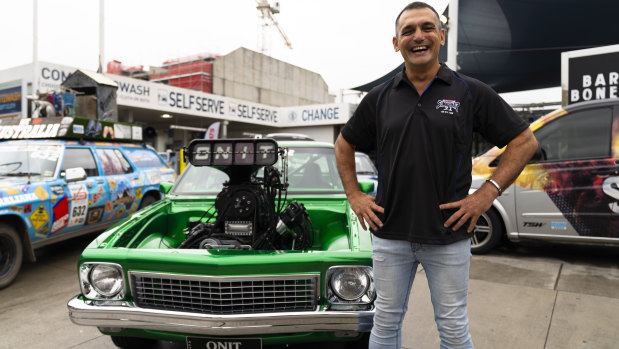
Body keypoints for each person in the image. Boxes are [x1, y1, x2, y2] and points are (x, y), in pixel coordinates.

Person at [334, 2, 538, 348]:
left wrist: (487, 193)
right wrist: (355, 195)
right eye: (408, 30)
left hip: (449, 235)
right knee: (384, 323)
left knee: (454, 329)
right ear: (396, 43)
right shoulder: (380, 98)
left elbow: (524, 141)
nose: (418, 36)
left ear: (440, 36)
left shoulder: (469, 91)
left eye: (427, 27)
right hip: (390, 234)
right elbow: (343, 145)